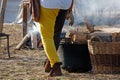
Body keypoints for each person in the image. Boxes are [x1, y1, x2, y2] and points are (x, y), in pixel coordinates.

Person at [39, 0, 74, 77]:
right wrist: (70, 9)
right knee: (56, 34)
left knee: (47, 36)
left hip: (49, 4)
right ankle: (49, 62)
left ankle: (55, 65)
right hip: (65, 5)